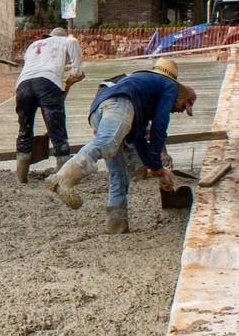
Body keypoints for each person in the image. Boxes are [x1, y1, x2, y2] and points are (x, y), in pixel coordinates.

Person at [48, 64, 198, 234]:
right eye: (182, 107)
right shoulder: (169, 86)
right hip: (120, 104)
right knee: (107, 143)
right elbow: (160, 126)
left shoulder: (145, 90)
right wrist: (156, 165)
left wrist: (155, 167)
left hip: (99, 108)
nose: (179, 111)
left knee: (118, 172)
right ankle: (63, 177)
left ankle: (116, 225)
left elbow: (139, 138)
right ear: (180, 97)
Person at [13, 27, 86, 184]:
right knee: (58, 133)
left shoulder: (34, 45)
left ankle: (21, 178)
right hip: (47, 84)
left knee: (24, 130)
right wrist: (77, 74)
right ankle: (64, 178)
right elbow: (73, 44)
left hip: (23, 86)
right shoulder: (66, 40)